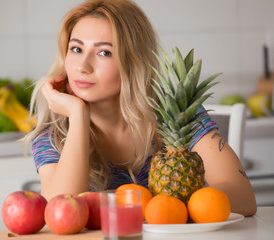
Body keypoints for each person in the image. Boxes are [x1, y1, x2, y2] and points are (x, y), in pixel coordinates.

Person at [24, 0, 257, 216]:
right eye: (76, 49)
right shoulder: (54, 134)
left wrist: (161, 213)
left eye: (104, 52)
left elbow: (244, 199)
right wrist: (78, 116)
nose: (83, 66)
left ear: (133, 61)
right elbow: (61, 214)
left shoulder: (177, 114)